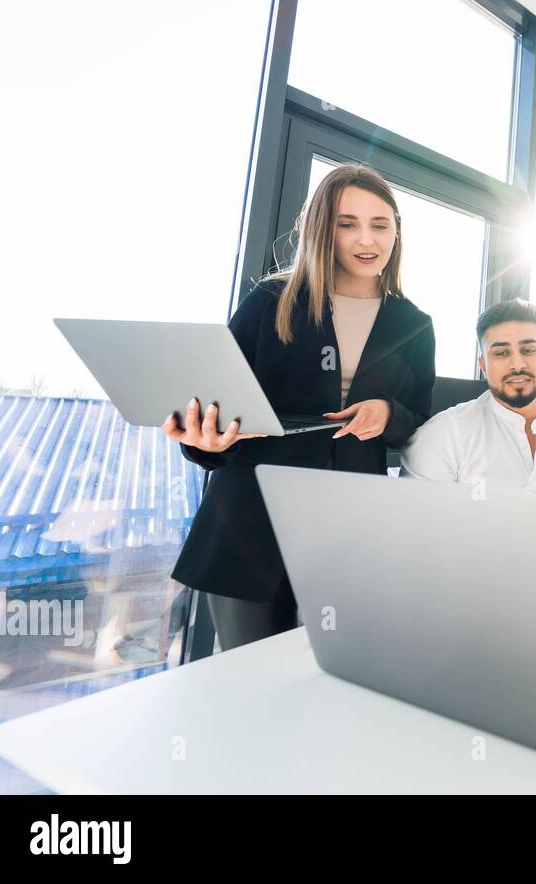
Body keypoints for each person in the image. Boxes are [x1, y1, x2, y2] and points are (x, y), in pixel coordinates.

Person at [166, 164, 436, 650]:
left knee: (332, 682)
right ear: (321, 229)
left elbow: (418, 421)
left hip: (349, 533)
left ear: (397, 230)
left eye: (380, 223)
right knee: (248, 690)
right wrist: (203, 442)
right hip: (250, 523)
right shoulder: (270, 301)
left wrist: (388, 414)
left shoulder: (414, 323)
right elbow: (217, 409)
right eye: (346, 222)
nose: (366, 238)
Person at [402, 299, 536, 589]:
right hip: (462, 595)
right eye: (501, 352)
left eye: (529, 350)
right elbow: (412, 531)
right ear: (483, 365)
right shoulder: (443, 433)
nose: (517, 363)